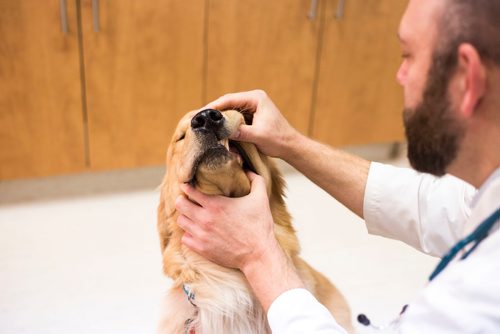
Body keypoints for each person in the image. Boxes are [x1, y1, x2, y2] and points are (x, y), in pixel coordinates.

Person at [175, 0, 500, 332]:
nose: (398, 76)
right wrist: (290, 142)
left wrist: (257, 254)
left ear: (468, 77)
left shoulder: (481, 300)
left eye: (407, 56)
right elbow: (438, 205)